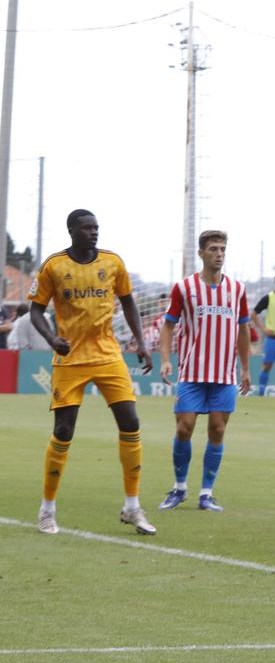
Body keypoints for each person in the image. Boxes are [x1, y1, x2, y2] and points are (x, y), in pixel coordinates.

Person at [26, 209, 156, 535]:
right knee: (64, 431)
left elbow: (128, 302)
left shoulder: (113, 263)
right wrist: (50, 338)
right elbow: (36, 310)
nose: (94, 233)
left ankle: (132, 506)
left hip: (108, 354)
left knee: (131, 422)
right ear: (72, 231)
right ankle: (47, 510)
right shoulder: (54, 266)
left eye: (96, 228)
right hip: (70, 358)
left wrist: (140, 341)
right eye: (87, 228)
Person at [155, 229, 253, 512]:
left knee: (218, 430)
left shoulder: (237, 289)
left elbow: (243, 329)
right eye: (213, 249)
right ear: (201, 253)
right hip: (191, 371)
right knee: (184, 427)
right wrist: (165, 359)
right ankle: (179, 488)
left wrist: (245, 369)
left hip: (224, 374)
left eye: (222, 249)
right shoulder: (184, 288)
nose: (219, 254)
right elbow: (168, 325)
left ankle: (206, 493)